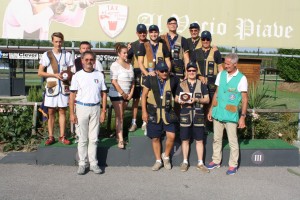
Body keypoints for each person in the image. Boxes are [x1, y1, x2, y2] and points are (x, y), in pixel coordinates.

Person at [207, 53, 248, 175]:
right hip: (218, 113)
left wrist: (243, 117)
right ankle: (216, 161)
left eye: (228, 64)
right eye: (225, 63)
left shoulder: (242, 78)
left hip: (231, 116)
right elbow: (217, 92)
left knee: (233, 141)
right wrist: (211, 109)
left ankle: (233, 165)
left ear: (235, 64)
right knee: (216, 139)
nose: (226, 66)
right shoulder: (221, 74)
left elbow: (245, 99)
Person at [69, 50, 107, 175]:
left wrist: (103, 111)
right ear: (82, 61)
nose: (89, 62)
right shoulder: (77, 76)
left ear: (94, 61)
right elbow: (72, 95)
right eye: (87, 59)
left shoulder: (99, 75)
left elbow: (104, 94)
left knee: (94, 138)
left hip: (95, 108)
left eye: (91, 59)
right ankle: (82, 164)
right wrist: (72, 114)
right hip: (81, 108)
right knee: (82, 138)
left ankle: (93, 164)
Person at [38, 32, 74, 145]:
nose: (58, 44)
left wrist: (68, 75)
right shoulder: (46, 55)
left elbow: (72, 71)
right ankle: (51, 136)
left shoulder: (67, 55)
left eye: (60, 41)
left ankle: (62, 136)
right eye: (56, 41)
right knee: (51, 111)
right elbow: (40, 72)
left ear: (62, 41)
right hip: (51, 87)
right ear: (52, 41)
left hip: (64, 87)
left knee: (62, 111)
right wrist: (54, 75)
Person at [141, 61, 179, 171]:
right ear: (157, 71)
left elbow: (177, 95)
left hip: (168, 111)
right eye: (161, 71)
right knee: (155, 138)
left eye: (166, 70)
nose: (164, 73)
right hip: (154, 111)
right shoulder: (150, 79)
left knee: (171, 136)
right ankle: (158, 160)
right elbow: (144, 96)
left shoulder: (173, 79)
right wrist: (144, 112)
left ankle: (166, 156)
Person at [175, 62, 210, 173]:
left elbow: (207, 99)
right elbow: (176, 98)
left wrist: (197, 100)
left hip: (198, 115)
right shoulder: (182, 84)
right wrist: (179, 100)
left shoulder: (202, 84)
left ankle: (200, 163)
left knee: (199, 140)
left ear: (196, 72)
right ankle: (185, 162)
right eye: (189, 70)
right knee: (185, 140)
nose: (191, 72)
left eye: (193, 70)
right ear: (186, 71)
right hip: (185, 114)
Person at [2, 0, 92, 40]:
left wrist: (81, 7)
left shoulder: (47, 6)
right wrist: (52, 8)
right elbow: (29, 26)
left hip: (39, 53)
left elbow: (74, 22)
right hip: (12, 52)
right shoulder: (18, 2)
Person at [108, 43, 135, 149]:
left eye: (127, 52)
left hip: (127, 95)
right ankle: (121, 139)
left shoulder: (130, 65)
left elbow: (132, 81)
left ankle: (118, 135)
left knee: (121, 116)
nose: (126, 54)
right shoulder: (114, 65)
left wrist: (130, 93)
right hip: (117, 94)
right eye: (124, 53)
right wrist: (123, 94)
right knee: (119, 116)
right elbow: (114, 81)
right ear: (119, 54)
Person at [187, 28, 223, 98]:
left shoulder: (216, 52)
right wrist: (199, 76)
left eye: (207, 39)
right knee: (199, 106)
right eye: (203, 39)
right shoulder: (195, 52)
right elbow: (191, 68)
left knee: (211, 106)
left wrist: (223, 81)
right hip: (199, 83)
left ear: (210, 40)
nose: (205, 41)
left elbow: (220, 68)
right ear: (201, 40)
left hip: (212, 84)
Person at [127, 24, 148, 132]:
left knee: (147, 99)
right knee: (135, 99)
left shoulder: (150, 43)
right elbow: (128, 60)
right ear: (137, 33)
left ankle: (146, 122)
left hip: (147, 74)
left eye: (144, 32)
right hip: (136, 74)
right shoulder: (133, 45)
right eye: (140, 32)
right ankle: (134, 122)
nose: (142, 34)